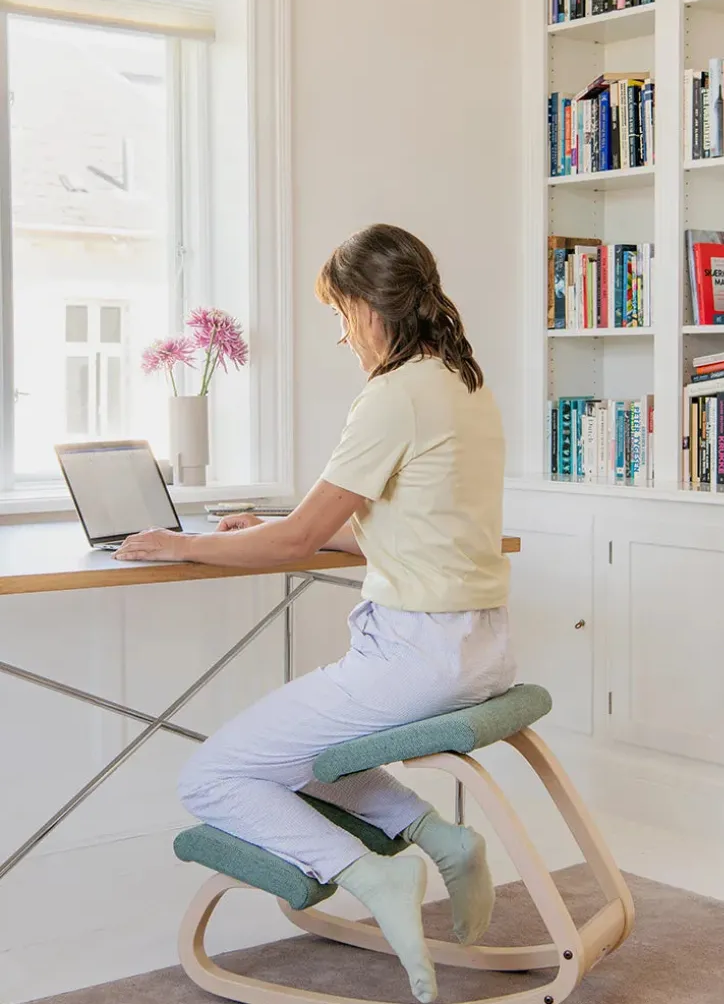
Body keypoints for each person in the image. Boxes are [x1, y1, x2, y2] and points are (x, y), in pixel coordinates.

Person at [115, 224, 514, 1003]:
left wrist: (181, 543)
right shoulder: (462, 381)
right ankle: (440, 836)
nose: (339, 334)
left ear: (369, 306)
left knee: (216, 775)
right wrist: (262, 528)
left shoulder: (394, 395)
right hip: (481, 648)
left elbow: (299, 538)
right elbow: (397, 532)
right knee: (302, 752)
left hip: (417, 656)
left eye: (338, 314)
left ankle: (371, 874)